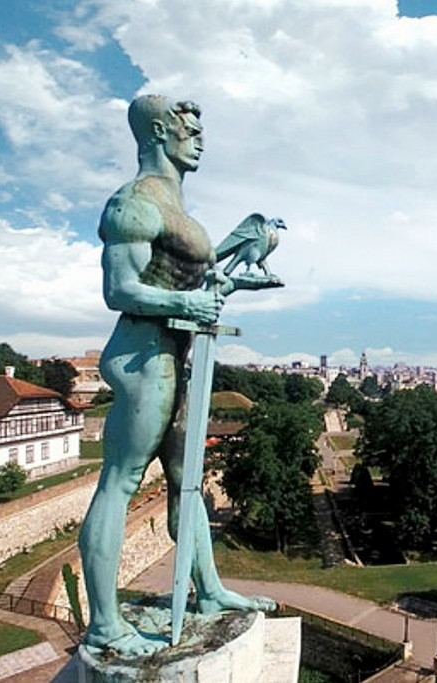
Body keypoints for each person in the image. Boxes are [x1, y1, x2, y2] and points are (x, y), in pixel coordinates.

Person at [79, 95, 275, 656]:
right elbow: (120, 289)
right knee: (120, 482)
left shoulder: (175, 206)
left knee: (188, 482)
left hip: (176, 357)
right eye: (190, 129)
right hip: (142, 357)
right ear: (159, 132)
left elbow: (183, 284)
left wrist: (230, 285)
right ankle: (104, 624)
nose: (201, 139)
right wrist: (188, 305)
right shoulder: (133, 202)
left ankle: (208, 591)